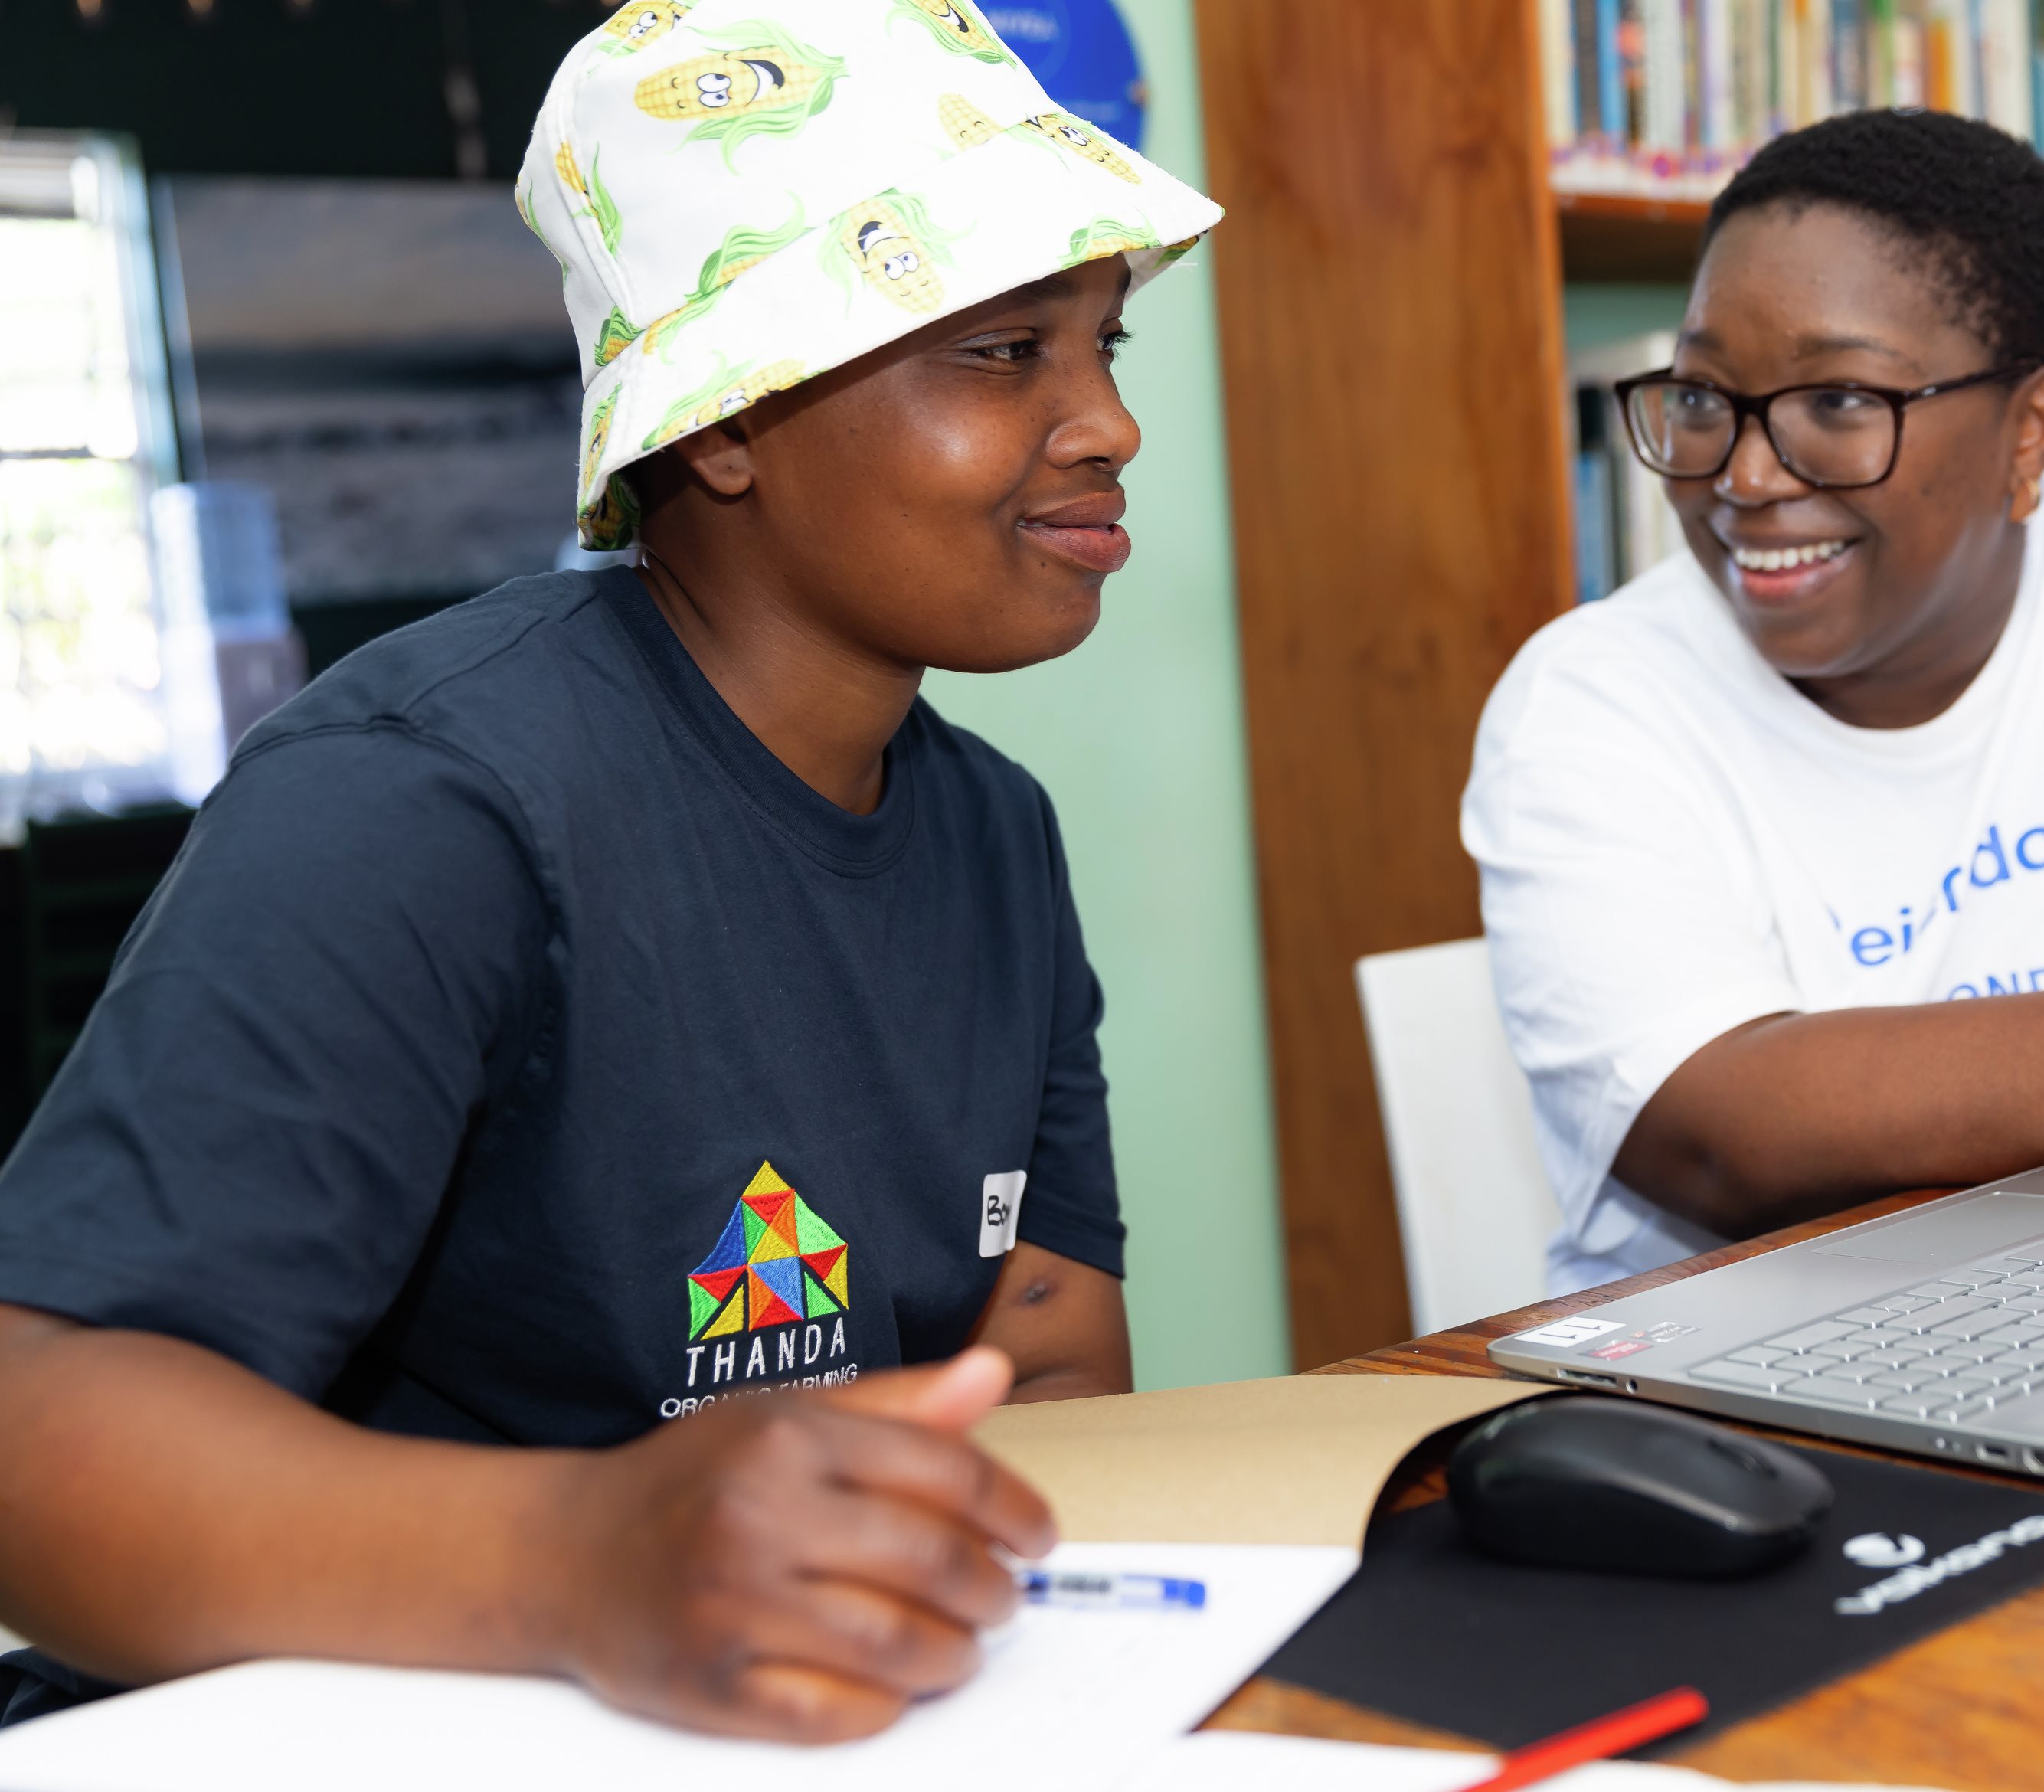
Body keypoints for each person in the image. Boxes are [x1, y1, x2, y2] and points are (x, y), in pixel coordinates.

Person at [0, 0, 1218, 1742]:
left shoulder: (993, 833)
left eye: (1106, 345)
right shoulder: (423, 798)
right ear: (721, 421)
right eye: (1003, 351)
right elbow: (36, 1445)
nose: (1108, 424)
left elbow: (1039, 1348)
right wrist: (589, 1554)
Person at [1462, 109, 2044, 1295]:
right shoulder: (1591, 703)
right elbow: (1735, 1134)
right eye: (1703, 398)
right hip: (1756, 1373)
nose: (1747, 478)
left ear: (2033, 429)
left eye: (1841, 403)